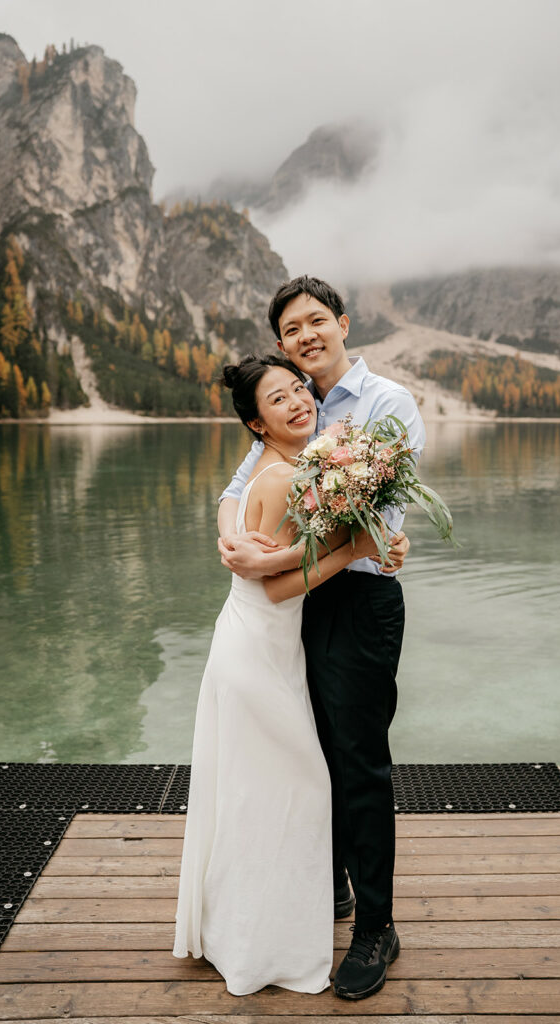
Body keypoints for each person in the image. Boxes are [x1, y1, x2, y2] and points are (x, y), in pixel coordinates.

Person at [217, 275, 426, 1000]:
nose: (307, 336)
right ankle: (334, 886)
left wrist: (272, 561)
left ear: (342, 323)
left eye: (316, 321)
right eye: (292, 329)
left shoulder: (385, 404)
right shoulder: (291, 404)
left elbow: (373, 521)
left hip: (359, 602)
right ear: (282, 346)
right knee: (313, 748)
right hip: (300, 608)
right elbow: (235, 491)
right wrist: (235, 548)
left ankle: (377, 927)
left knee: (360, 762)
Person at [172, 353, 381, 996]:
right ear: (256, 423)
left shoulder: (290, 467)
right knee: (298, 787)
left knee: (251, 790)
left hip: (257, 648)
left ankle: (241, 931)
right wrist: (354, 549)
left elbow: (261, 559)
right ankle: (265, 944)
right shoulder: (282, 476)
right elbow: (275, 588)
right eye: (278, 400)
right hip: (257, 649)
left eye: (299, 389)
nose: (298, 402)